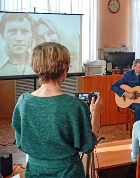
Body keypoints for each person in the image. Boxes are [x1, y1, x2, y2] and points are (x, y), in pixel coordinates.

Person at [12, 42, 102, 178]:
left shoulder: (23, 102)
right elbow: (88, 146)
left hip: (34, 171)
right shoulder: (76, 106)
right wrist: (95, 114)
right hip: (69, 172)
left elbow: (21, 142)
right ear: (65, 71)